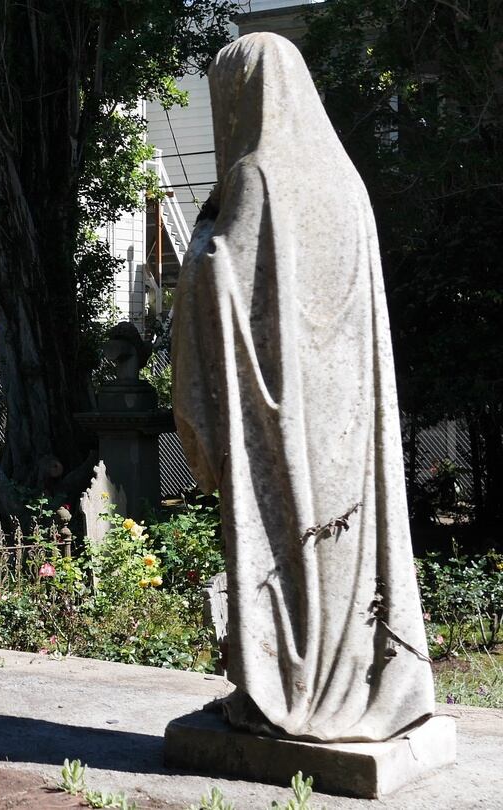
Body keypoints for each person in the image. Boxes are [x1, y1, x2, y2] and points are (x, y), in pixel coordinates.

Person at [172, 33, 434, 742]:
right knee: (344, 552)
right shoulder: (346, 180)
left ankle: (293, 694)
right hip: (347, 422)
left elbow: (224, 285)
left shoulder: (257, 175)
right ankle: (358, 686)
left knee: (292, 558)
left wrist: (201, 237)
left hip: (283, 427)